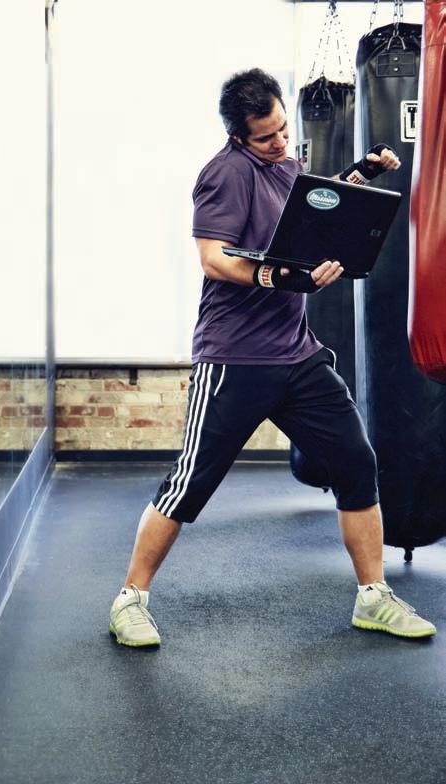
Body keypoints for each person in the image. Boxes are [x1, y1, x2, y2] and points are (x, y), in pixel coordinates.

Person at [109, 68, 436, 647]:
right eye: (267, 138)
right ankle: (130, 599)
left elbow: (311, 204)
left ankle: (373, 596)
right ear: (238, 136)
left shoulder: (283, 163)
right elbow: (214, 258)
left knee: (356, 459)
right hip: (235, 358)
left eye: (284, 129)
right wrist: (276, 276)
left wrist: (361, 172)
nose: (281, 142)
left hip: (296, 355)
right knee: (190, 483)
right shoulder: (224, 175)